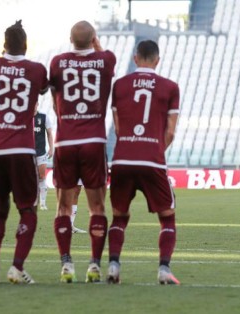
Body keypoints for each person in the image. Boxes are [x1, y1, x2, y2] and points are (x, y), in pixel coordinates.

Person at [0, 20, 48, 284]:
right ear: (26, 45)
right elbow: (43, 89)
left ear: (3, 45)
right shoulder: (37, 69)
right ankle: (16, 268)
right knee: (27, 208)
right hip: (21, 147)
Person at [107, 39, 180, 285]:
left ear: (135, 58)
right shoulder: (170, 87)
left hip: (123, 158)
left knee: (119, 216)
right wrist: (155, 149)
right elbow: (170, 131)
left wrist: (130, 142)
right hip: (152, 159)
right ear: (157, 60)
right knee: (167, 217)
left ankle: (114, 266)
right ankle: (163, 270)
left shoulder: (119, 86)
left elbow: (117, 128)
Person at [49, 20, 116, 283]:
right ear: (94, 39)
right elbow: (101, 54)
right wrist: (95, 45)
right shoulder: (106, 59)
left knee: (63, 206)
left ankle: (66, 263)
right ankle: (95, 265)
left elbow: (55, 101)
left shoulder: (57, 62)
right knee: (97, 206)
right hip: (94, 141)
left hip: (65, 141)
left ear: (70, 38)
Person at [34, 107, 54, 211]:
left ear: (37, 104)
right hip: (28, 153)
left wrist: (51, 148)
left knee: (42, 176)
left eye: (35, 103)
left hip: (41, 153)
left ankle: (42, 203)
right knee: (29, 178)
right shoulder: (25, 117)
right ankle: (31, 202)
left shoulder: (43, 117)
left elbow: (49, 134)